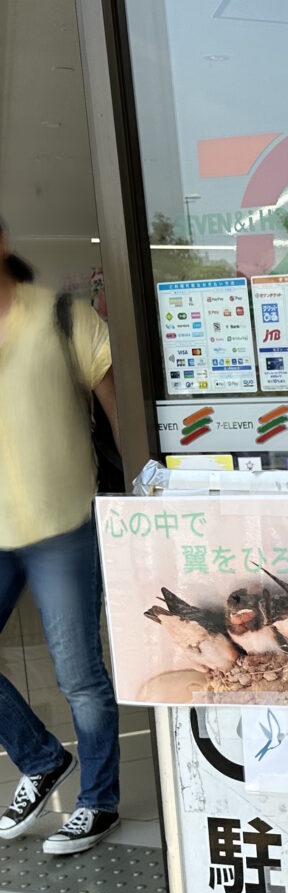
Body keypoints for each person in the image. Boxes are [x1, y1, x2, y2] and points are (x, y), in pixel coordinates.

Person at [0, 217, 123, 854]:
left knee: (78, 674)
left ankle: (99, 800)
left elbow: (118, 409)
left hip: (63, 525)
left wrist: (150, 487)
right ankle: (43, 758)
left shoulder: (61, 319)